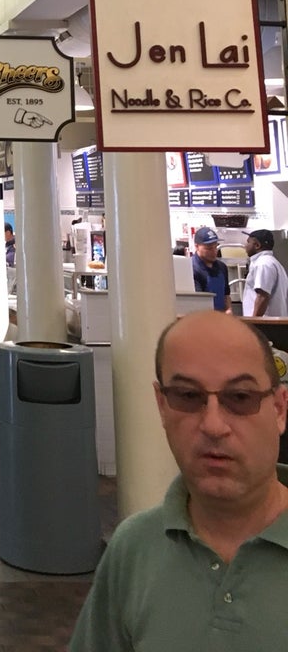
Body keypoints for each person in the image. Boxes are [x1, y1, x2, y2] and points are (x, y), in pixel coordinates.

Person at [69, 309, 288, 650]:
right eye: (188, 396)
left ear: (279, 409)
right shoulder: (134, 549)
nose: (214, 425)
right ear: (161, 405)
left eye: (240, 397)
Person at [242, 228, 288, 318]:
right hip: (271, 323)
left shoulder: (263, 264)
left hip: (264, 324)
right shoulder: (272, 262)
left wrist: (254, 321)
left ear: (257, 245)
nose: (245, 245)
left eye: (248, 242)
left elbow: (262, 296)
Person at [190, 225, 231, 312]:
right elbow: (197, 302)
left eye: (215, 247)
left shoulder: (222, 267)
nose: (214, 251)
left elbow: (226, 295)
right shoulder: (191, 269)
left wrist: (229, 310)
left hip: (221, 317)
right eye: (209, 248)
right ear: (197, 246)